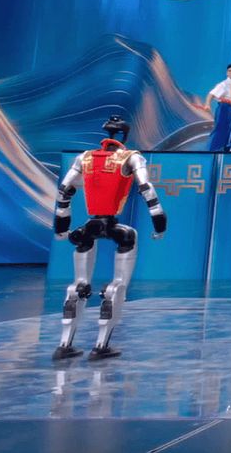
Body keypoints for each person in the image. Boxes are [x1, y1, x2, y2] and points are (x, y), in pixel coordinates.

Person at [51, 115, 168, 361]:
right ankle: (100, 345)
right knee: (118, 285)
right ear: (124, 135)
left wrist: (62, 226)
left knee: (78, 284)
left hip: (89, 225)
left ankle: (64, 344)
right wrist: (159, 223)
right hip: (114, 225)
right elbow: (147, 189)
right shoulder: (132, 157)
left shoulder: (84, 158)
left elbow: (64, 191)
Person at [205, 64, 231, 151]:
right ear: (227, 73)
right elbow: (211, 94)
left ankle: (227, 149)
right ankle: (212, 149)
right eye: (229, 71)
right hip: (224, 108)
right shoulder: (224, 84)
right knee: (220, 128)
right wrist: (207, 104)